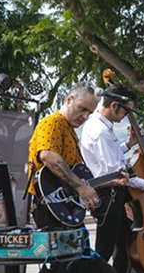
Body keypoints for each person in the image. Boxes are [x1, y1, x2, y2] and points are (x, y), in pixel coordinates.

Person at [81, 84, 144, 273]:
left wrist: (129, 145)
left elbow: (113, 156)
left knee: (122, 249)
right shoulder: (101, 130)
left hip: (113, 195)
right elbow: (115, 173)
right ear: (114, 105)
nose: (127, 116)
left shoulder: (102, 127)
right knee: (105, 251)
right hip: (109, 195)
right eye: (125, 111)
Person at [27, 82, 103, 228]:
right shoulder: (52, 122)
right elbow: (49, 157)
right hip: (50, 205)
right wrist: (81, 187)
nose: (85, 116)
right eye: (82, 108)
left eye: (89, 113)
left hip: (65, 206)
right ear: (69, 100)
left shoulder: (69, 130)